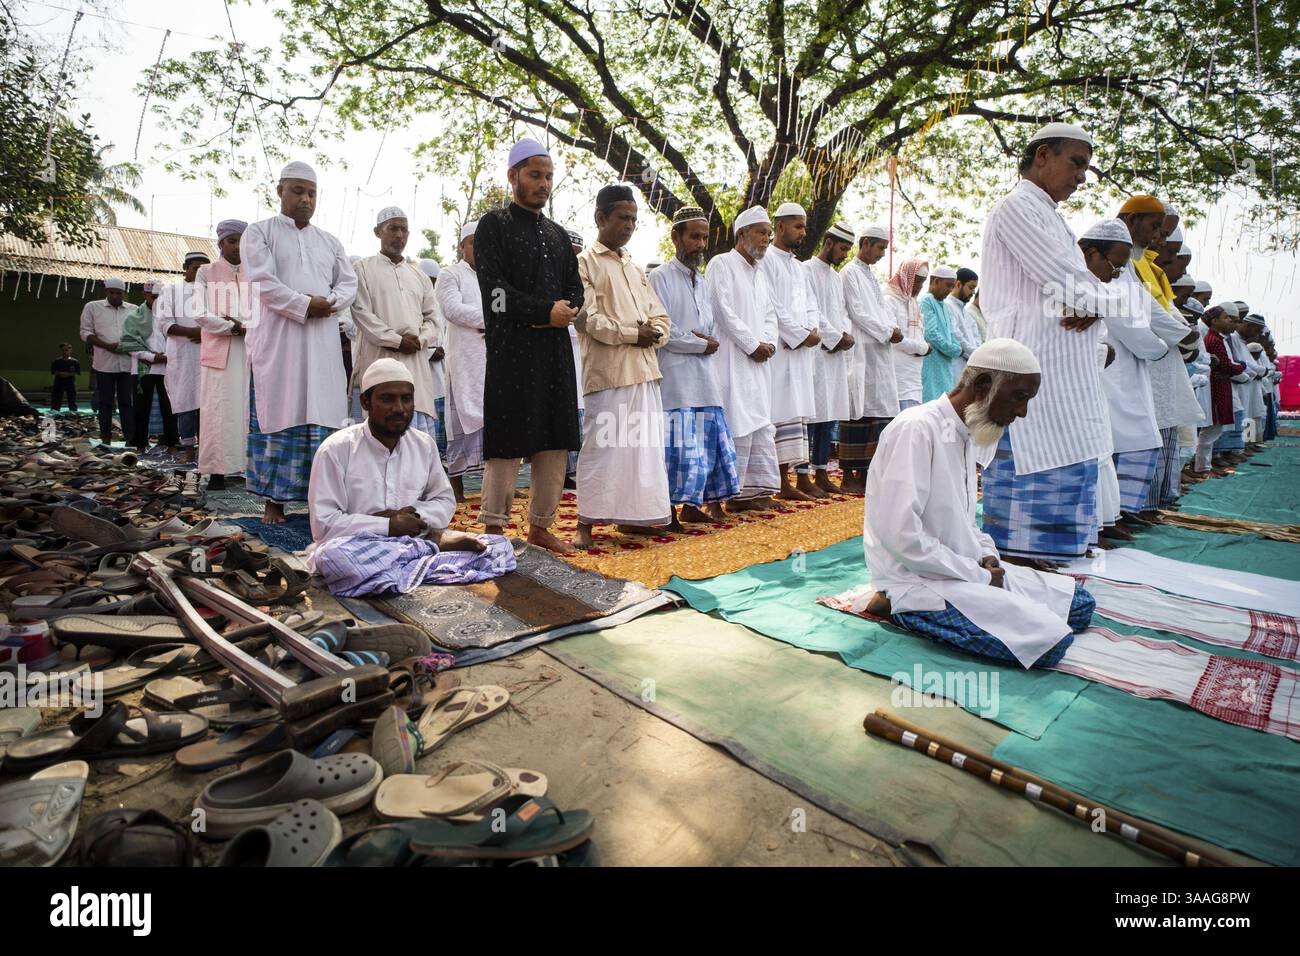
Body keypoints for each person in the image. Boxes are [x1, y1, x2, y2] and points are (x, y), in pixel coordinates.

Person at [860, 338, 1096, 669]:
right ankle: (896, 606)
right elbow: (901, 537)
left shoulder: (967, 431)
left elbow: (966, 522)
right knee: (1047, 642)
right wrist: (980, 577)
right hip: (917, 580)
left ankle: (993, 603)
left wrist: (987, 556)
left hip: (966, 571)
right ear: (984, 385)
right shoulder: (916, 428)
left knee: (1080, 604)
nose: (1022, 412)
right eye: (1019, 397)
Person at [978, 122, 1115, 569]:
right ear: (1042, 156)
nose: (1080, 177)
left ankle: (1055, 552)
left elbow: (1082, 288)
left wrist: (1097, 303)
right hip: (1029, 359)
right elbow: (1066, 281)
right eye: (1076, 163)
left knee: (1069, 448)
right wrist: (1107, 301)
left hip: (1063, 369)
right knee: (1031, 454)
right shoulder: (1016, 209)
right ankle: (1021, 558)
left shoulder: (1052, 216)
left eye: (1085, 168)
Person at [473, 137, 583, 554]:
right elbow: (495, 296)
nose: (543, 183)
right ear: (513, 176)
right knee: (508, 438)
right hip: (511, 351)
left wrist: (568, 309)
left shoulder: (556, 235)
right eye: (535, 175)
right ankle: (494, 530)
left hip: (554, 352)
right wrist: (544, 312)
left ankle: (540, 526)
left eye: (548, 176)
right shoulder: (493, 226)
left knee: (554, 437)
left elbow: (575, 287)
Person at [306, 359, 492, 593]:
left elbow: (444, 501)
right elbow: (323, 525)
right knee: (334, 558)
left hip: (415, 537)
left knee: (498, 548)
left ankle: (404, 568)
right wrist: (386, 525)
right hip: (358, 547)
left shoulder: (423, 445)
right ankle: (429, 554)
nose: (400, 408)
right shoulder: (335, 449)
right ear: (365, 402)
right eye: (387, 399)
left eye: (406, 398)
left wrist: (413, 516)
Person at [242, 160, 357, 524]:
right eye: (297, 191)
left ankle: (319, 501)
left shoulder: (330, 241)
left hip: (322, 344)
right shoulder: (258, 233)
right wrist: (306, 304)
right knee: (280, 412)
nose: (305, 199)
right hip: (280, 343)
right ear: (279, 192)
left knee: (324, 417)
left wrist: (331, 303)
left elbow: (348, 282)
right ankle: (273, 501)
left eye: (311, 193)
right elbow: (261, 281)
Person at [572, 184, 672, 549]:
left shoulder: (634, 265)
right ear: (601, 218)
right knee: (603, 447)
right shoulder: (584, 263)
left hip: (645, 370)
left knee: (641, 448)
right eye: (622, 218)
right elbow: (587, 319)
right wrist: (634, 334)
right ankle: (585, 522)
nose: (629, 226)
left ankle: (636, 516)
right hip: (609, 372)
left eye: (634, 219)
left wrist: (654, 333)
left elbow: (660, 315)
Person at [649, 205, 741, 526]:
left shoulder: (701, 281)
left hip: (704, 378)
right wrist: (701, 342)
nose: (700, 244)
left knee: (704, 447)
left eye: (704, 237)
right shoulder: (659, 277)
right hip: (676, 378)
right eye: (694, 237)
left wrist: (707, 340)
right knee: (678, 449)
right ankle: (668, 511)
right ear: (676, 237)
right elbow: (664, 331)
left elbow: (711, 325)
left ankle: (692, 506)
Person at [1077, 219, 1166, 538]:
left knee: (1123, 445)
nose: (1160, 238)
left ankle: (1116, 514)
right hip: (1106, 377)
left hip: (1120, 371)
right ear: (1090, 254)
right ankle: (1104, 521)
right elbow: (1130, 329)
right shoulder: (1085, 284)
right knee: (1106, 448)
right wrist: (1163, 345)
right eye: (1158, 229)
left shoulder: (1122, 278)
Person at [705, 206, 782, 511]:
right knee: (735, 420)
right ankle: (727, 495)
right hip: (731, 359)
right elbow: (721, 309)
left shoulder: (761, 273)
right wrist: (752, 344)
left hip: (759, 360)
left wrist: (769, 343)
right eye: (762, 232)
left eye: (768, 234)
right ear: (742, 234)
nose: (766, 239)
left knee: (758, 421)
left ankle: (751, 493)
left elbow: (770, 313)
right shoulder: (721, 264)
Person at [351, 207, 442, 443]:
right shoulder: (362, 269)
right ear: (377, 232)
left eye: (404, 230)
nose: (399, 235)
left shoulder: (419, 276)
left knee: (417, 440)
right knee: (377, 437)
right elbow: (361, 313)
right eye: (393, 229)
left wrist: (420, 340)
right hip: (379, 358)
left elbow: (433, 318)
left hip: (415, 363)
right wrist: (396, 341)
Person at [758, 202, 821, 501]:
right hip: (781, 350)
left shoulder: (799, 267)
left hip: (800, 351)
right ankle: (779, 481)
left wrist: (812, 329)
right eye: (798, 226)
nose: (803, 232)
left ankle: (797, 478)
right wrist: (798, 335)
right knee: (779, 412)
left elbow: (811, 303)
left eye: (804, 226)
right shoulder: (766, 260)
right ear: (780, 227)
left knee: (796, 414)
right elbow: (773, 305)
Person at [841, 226, 908, 494]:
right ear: (865, 243)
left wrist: (893, 329)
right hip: (862, 351)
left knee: (879, 413)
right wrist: (885, 332)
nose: (882, 254)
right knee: (858, 412)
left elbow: (882, 310)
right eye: (880, 247)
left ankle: (868, 473)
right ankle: (848, 476)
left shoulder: (870, 275)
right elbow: (857, 312)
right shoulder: (849, 273)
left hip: (879, 353)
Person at [801, 223, 856, 496]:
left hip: (834, 355)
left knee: (828, 415)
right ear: (829, 241)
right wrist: (833, 338)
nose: (844, 254)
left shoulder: (835, 278)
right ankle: (802, 476)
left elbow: (842, 312)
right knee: (811, 415)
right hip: (816, 353)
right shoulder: (805, 270)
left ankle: (821, 473)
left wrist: (845, 334)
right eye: (843, 248)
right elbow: (812, 313)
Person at [195, 219, 251, 489]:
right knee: (218, 410)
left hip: (250, 351)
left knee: (246, 409)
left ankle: (244, 467)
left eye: (242, 241)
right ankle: (216, 470)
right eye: (232, 241)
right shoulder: (207, 272)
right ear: (221, 243)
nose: (237, 247)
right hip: (220, 352)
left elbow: (264, 310)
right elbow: (200, 312)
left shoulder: (255, 273)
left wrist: (247, 326)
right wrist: (232, 326)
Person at [436, 219, 486, 501]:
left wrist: (493, 323)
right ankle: (457, 488)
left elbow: (503, 308)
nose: (479, 248)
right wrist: (488, 320)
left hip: (490, 357)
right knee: (459, 422)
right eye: (473, 243)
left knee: (495, 422)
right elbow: (452, 309)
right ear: (462, 246)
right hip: (463, 359)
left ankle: (493, 486)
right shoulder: (449, 274)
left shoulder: (495, 277)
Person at [155, 250, 209, 463]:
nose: (200, 273)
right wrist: (193, 332)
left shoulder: (213, 291)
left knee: (208, 407)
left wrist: (205, 333)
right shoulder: (172, 290)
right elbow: (164, 323)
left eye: (204, 269)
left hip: (209, 355)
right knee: (186, 404)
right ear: (185, 268)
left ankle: (206, 454)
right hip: (183, 356)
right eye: (196, 268)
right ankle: (188, 452)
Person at [121, 281, 178, 453]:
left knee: (169, 407)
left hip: (167, 367)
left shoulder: (172, 317)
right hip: (142, 368)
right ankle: (140, 444)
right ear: (145, 295)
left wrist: (167, 357)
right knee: (140, 408)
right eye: (154, 297)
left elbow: (176, 340)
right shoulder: (134, 317)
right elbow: (128, 343)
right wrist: (152, 357)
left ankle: (171, 443)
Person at [79, 278, 136, 446]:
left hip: (127, 363)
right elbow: (85, 332)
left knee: (127, 402)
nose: (115, 296)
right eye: (112, 292)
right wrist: (106, 346)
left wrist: (126, 345)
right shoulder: (92, 307)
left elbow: (141, 333)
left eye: (119, 293)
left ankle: (130, 439)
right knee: (105, 403)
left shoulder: (134, 310)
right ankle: (106, 439)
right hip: (104, 363)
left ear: (124, 293)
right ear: (106, 291)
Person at [1194, 304, 1246, 475]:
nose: (1229, 321)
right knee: (1210, 431)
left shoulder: (1218, 338)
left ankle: (1204, 466)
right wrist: (1241, 367)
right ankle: (1202, 468)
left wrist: (1236, 367)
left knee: (1214, 429)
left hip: (1221, 387)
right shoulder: (1214, 340)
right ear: (1215, 321)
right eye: (1226, 318)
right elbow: (1226, 366)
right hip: (1216, 389)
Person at [883, 258, 931, 414]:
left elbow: (919, 336)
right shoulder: (889, 301)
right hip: (897, 377)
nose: (920, 286)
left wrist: (921, 346)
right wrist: (923, 348)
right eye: (917, 281)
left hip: (914, 378)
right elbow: (896, 339)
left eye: (923, 282)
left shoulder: (913, 303)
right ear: (906, 277)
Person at [415, 258, 449, 456]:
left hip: (441, 368)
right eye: (429, 279)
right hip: (421, 364)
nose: (432, 284)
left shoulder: (437, 302)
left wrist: (442, 349)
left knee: (441, 412)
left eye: (434, 280)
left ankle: (440, 456)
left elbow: (444, 331)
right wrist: (429, 352)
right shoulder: (412, 299)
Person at [920, 266, 962, 401]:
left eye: (952, 286)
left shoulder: (944, 305)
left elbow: (950, 333)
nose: (950, 290)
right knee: (930, 404)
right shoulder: (927, 301)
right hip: (931, 363)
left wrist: (957, 348)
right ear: (936, 281)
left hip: (945, 364)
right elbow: (930, 334)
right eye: (948, 285)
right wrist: (954, 350)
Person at [949, 267, 982, 379]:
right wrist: (976, 355)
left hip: (971, 365)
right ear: (958, 284)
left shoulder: (966, 312)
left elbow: (976, 337)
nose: (973, 292)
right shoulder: (947, 306)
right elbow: (957, 337)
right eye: (971, 287)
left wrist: (978, 354)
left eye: (974, 289)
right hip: (955, 365)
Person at [49, 344, 80, 413]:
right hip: (59, 382)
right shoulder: (57, 361)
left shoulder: (75, 362)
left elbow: (77, 372)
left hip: (70, 382)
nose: (65, 352)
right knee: (56, 398)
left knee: (72, 398)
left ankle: (73, 412)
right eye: (63, 350)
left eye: (66, 350)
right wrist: (61, 373)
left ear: (70, 350)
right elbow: (53, 371)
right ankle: (55, 412)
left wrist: (68, 374)